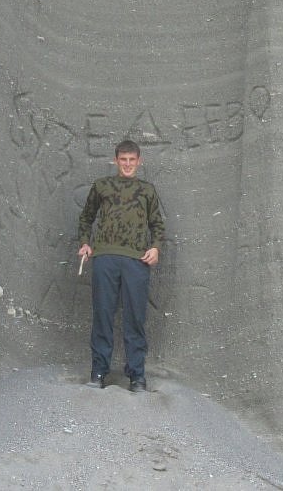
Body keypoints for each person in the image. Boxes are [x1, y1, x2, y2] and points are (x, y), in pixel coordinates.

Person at [78, 140, 165, 392]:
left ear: (139, 161)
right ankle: (98, 372)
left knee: (135, 318)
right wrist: (85, 243)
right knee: (103, 314)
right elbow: (86, 217)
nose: (127, 164)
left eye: (132, 160)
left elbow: (157, 224)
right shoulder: (102, 186)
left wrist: (155, 248)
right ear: (115, 161)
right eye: (123, 159)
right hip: (105, 257)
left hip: (137, 261)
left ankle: (137, 376)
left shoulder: (147, 190)